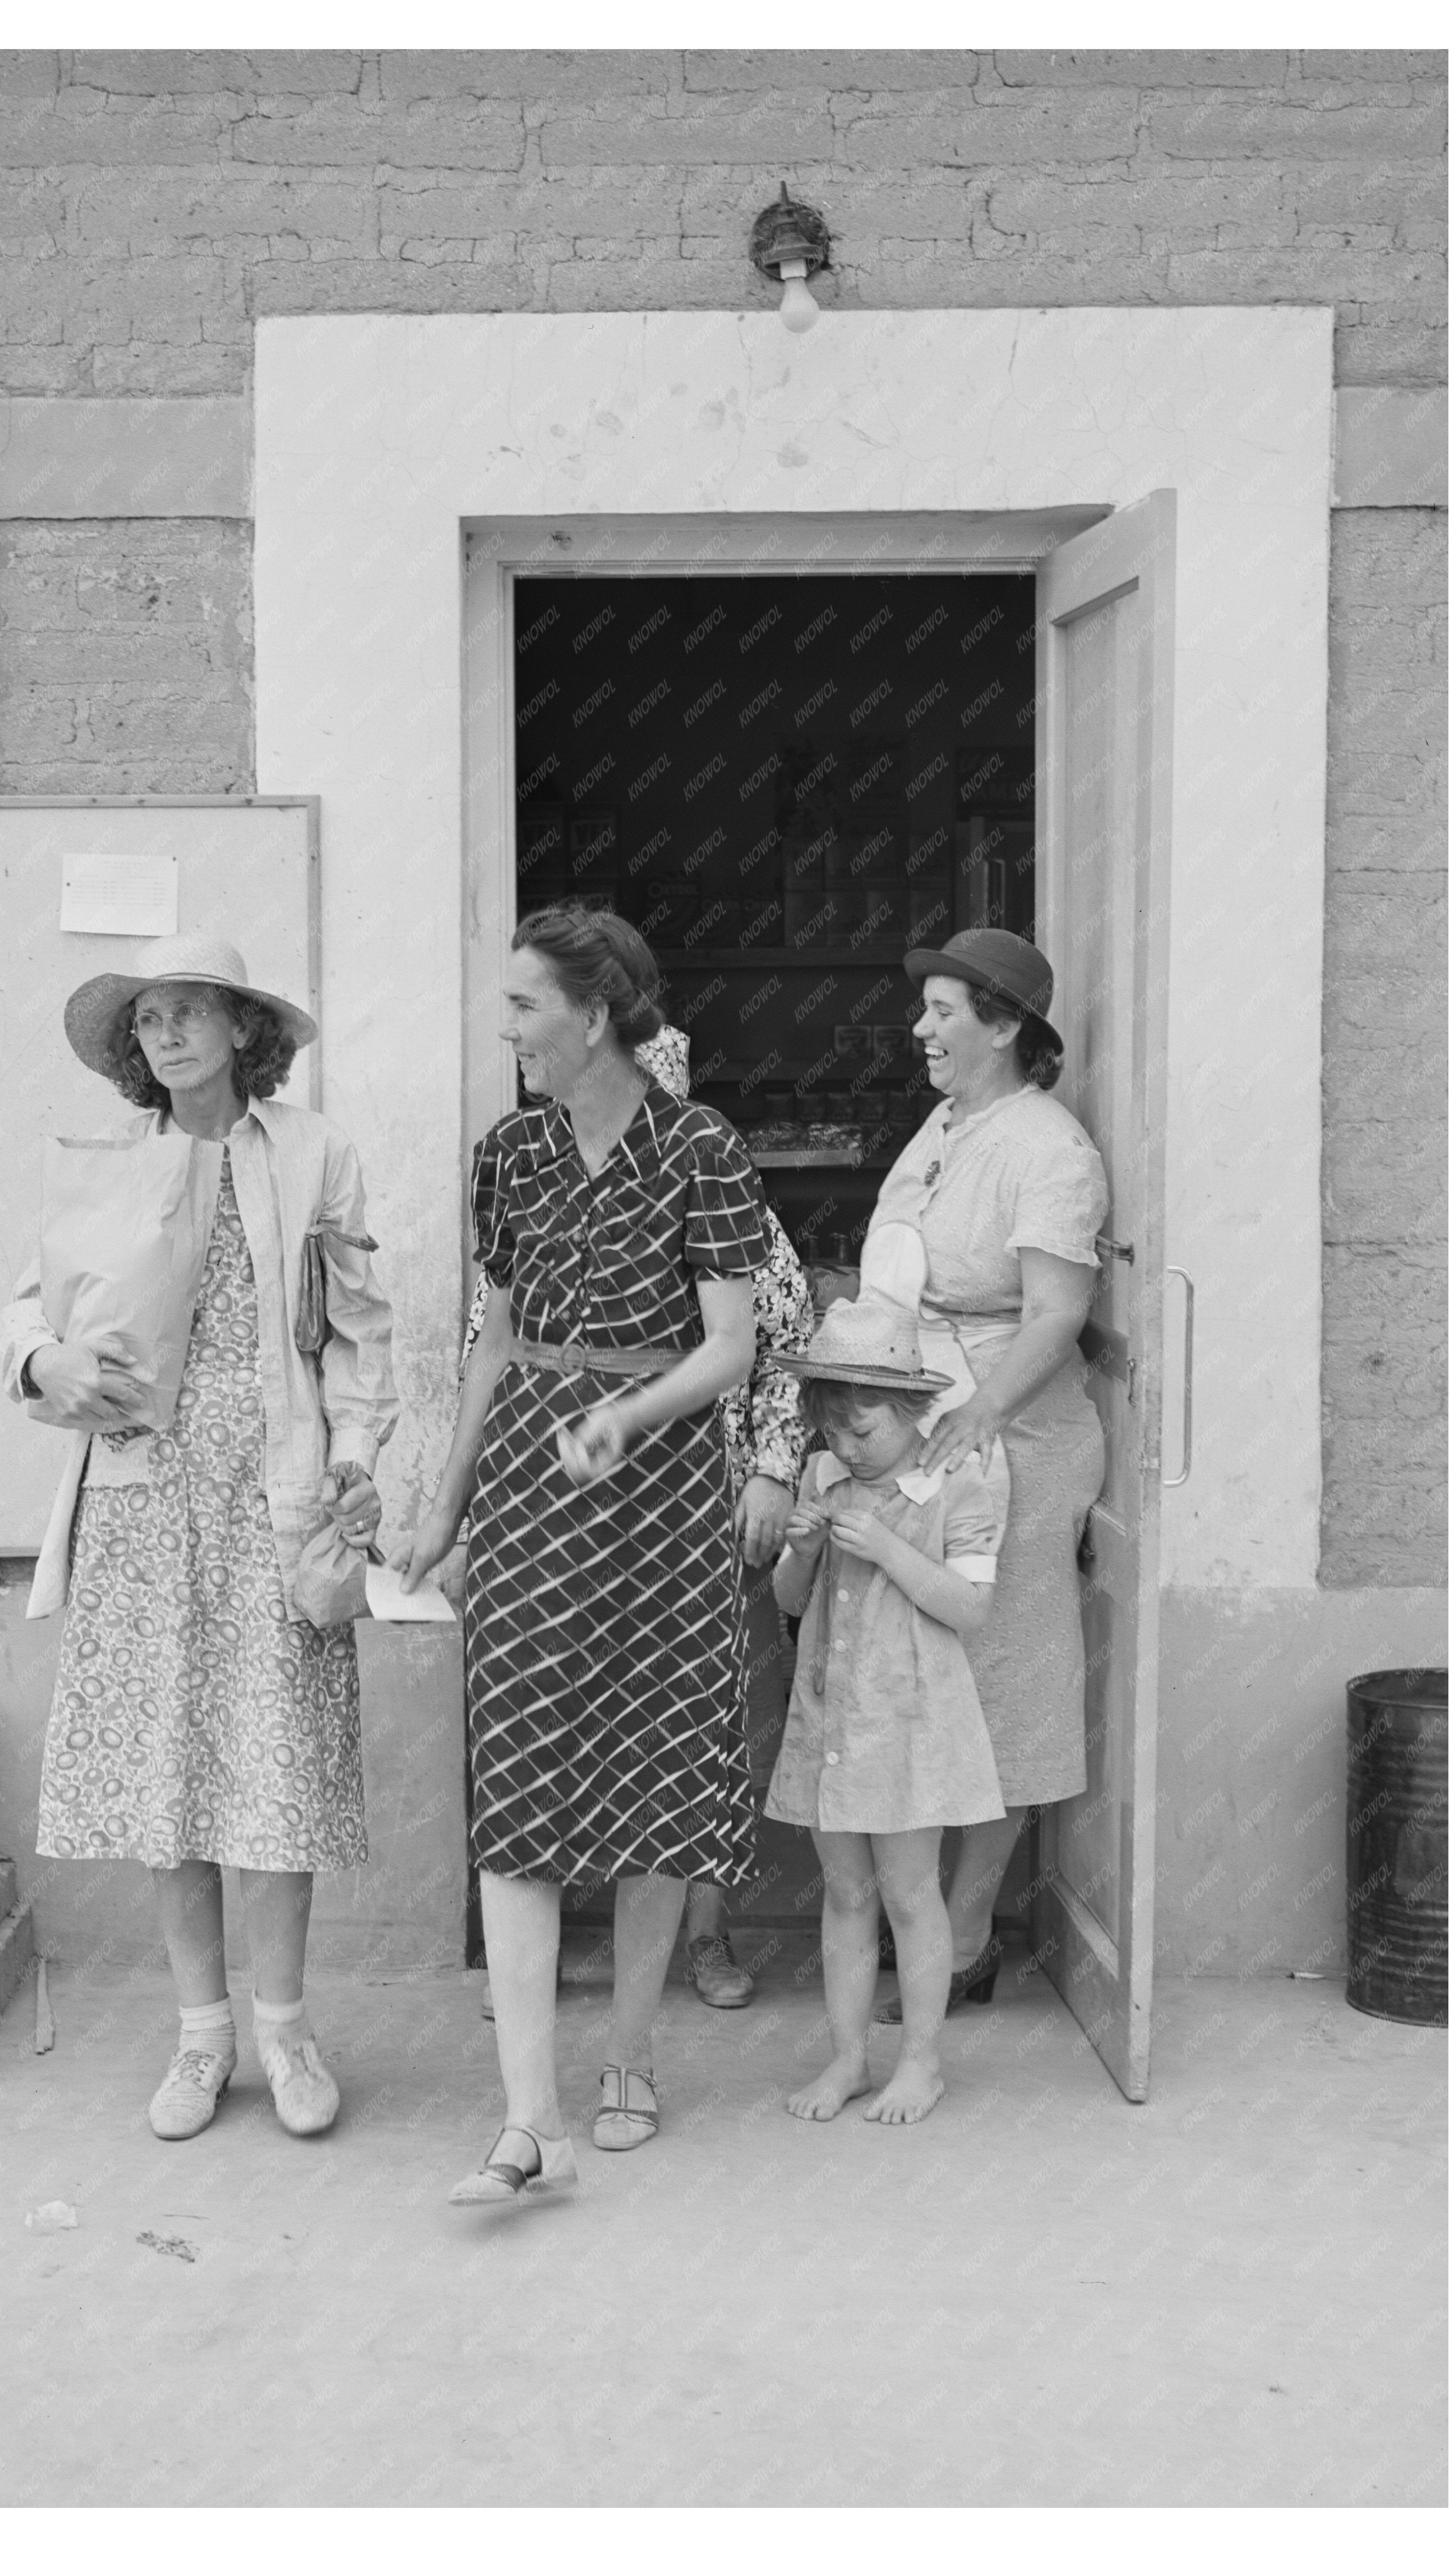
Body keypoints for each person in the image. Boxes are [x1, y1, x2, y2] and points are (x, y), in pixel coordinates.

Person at [0, 931, 397, 2143]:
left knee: (272, 1769)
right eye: (148, 1019)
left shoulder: (317, 1150)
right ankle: (200, 2035)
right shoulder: (112, 1164)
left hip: (270, 1494)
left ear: (241, 1029)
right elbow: (31, 1307)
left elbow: (361, 1333)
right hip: (142, 1495)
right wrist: (47, 1358)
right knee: (169, 1770)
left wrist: (355, 1460)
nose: (164, 1033)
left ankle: (285, 2031)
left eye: (186, 1011)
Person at [402, 903, 770, 2203]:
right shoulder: (507, 1152)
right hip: (528, 1485)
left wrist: (626, 1410)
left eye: (521, 1004)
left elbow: (732, 1341)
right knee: (522, 1771)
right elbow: (491, 1345)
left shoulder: (700, 1147)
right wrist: (444, 1508)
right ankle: (528, 2116)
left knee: (657, 1759)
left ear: (597, 1010)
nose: (504, 1027)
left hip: (660, 1482)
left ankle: (628, 2055)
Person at [459, 1022, 814, 2016]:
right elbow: (482, 1353)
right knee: (549, 1718)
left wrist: (773, 1475)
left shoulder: (719, 1186)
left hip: (694, 1506)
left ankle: (702, 1936)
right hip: (553, 1507)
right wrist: (466, 1504)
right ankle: (539, 1956)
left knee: (702, 1728)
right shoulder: (525, 1180)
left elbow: (780, 1345)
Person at [859, 928, 1109, 2014]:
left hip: (1007, 1433)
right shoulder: (944, 1124)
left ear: (1004, 1027)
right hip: (930, 1416)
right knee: (920, 1663)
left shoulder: (1048, 1148)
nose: (921, 1028)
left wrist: (976, 1421)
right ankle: (919, 1917)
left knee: (1002, 1672)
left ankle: (962, 1942)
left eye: (944, 1010)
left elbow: (1056, 1313)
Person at [765, 1293, 1006, 2125]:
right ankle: (847, 2058)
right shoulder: (825, 1476)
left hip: (910, 1723)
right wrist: (799, 1552)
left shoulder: (953, 1484)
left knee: (910, 1894)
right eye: (831, 1429)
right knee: (844, 1892)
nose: (845, 1446)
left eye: (862, 1431)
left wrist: (890, 1548)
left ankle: (922, 2063)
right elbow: (791, 1601)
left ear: (911, 1409)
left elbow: (970, 1609)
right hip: (833, 1715)